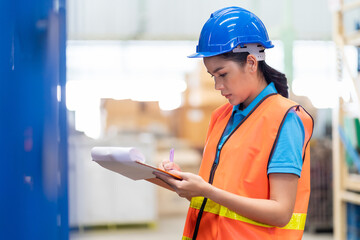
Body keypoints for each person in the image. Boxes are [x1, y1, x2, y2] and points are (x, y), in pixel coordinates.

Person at [154, 6, 313, 240]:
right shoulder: (222, 116)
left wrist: (206, 190)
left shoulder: (284, 119)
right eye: (213, 77)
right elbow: (219, 196)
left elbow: (281, 212)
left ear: (251, 62)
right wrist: (187, 185)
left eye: (223, 74)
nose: (218, 86)